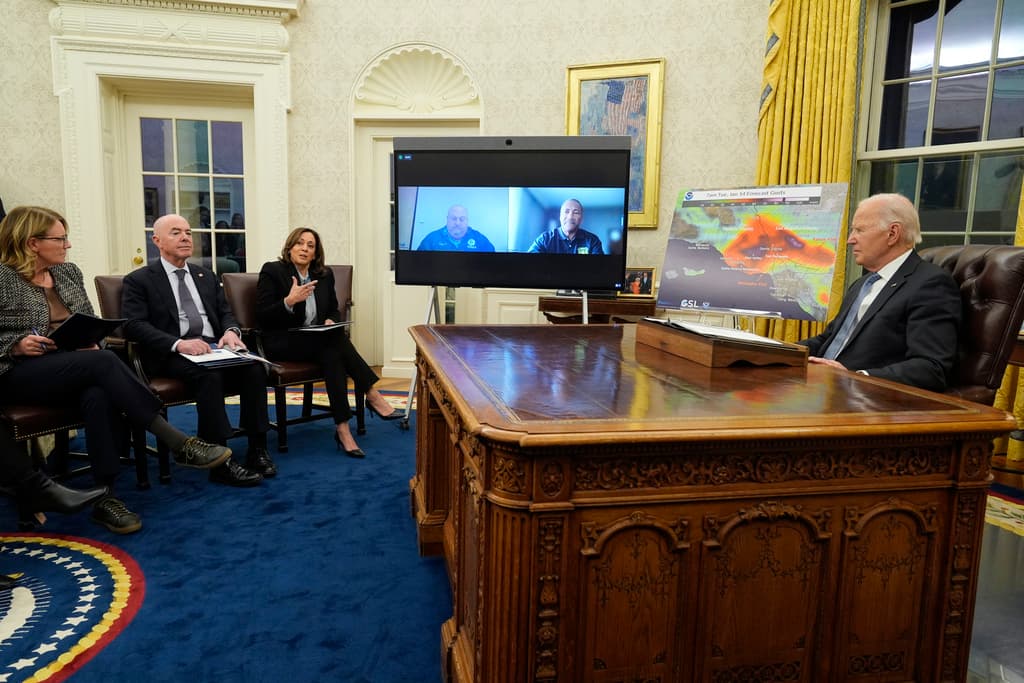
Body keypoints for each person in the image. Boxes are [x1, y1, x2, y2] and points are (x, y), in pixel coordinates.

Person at [0, 206, 233, 533]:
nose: (67, 245)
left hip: (71, 365)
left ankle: (105, 496)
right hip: (17, 372)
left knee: (98, 393)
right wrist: (16, 344)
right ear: (32, 242)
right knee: (105, 363)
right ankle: (177, 442)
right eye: (60, 239)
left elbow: (87, 319)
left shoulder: (68, 273)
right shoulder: (3, 277)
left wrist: (88, 339)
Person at [121, 213, 275, 486]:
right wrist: (179, 343)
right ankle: (220, 460)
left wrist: (230, 332)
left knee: (253, 368)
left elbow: (225, 313)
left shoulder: (205, 275)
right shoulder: (140, 280)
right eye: (176, 232)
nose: (185, 238)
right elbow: (133, 326)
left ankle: (257, 448)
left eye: (188, 232)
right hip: (170, 353)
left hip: (213, 348)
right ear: (157, 240)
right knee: (208, 376)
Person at [255, 228, 405, 458]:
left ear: (316, 253)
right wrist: (289, 301)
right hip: (281, 340)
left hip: (317, 340)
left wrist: (330, 319)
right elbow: (263, 316)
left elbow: (334, 309)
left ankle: (343, 428)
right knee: (334, 341)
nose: (305, 248)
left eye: (311, 245)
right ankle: (372, 395)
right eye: (300, 243)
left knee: (332, 350)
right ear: (289, 248)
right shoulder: (273, 271)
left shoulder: (324, 275)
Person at [799, 193, 961, 391]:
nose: (851, 240)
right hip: (819, 387)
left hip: (863, 399)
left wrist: (855, 378)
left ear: (892, 233)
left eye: (859, 230)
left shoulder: (931, 284)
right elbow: (828, 340)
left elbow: (931, 368)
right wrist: (775, 351)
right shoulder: (862, 283)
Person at [528, 198, 604, 254]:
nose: (570, 216)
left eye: (576, 212)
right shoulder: (545, 239)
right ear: (560, 217)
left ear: (581, 219)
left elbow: (599, 269)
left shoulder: (592, 241)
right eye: (566, 212)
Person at [416, 205, 495, 252]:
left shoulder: (480, 239)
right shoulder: (431, 239)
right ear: (447, 219)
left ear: (467, 221)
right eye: (453, 218)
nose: (457, 223)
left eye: (462, 219)